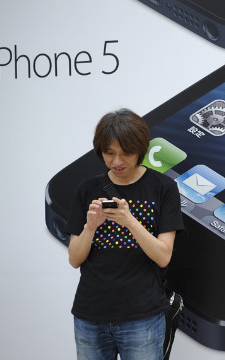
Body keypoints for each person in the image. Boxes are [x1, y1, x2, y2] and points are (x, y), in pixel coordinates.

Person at [66, 109, 184, 360]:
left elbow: (163, 256)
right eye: (109, 153)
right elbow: (75, 259)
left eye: (125, 153)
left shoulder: (163, 188)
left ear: (140, 150)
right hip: (90, 315)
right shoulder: (87, 189)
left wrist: (130, 221)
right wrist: (90, 227)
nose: (117, 161)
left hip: (143, 316)